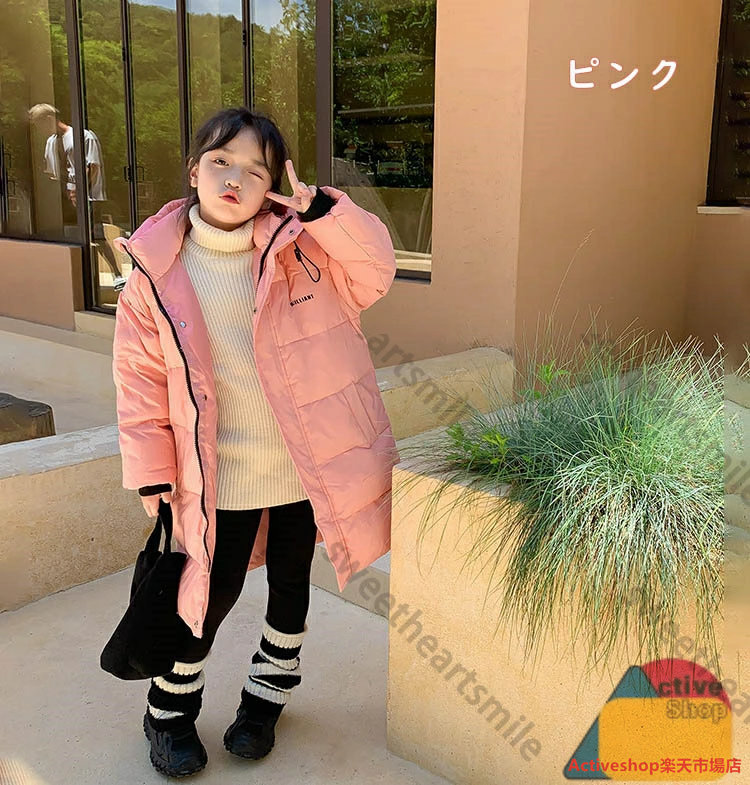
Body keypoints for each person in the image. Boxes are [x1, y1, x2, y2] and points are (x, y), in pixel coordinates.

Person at [111, 105, 400, 777]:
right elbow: (139, 380)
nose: (235, 179)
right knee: (205, 599)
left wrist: (326, 213)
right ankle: (168, 712)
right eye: (221, 162)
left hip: (304, 466)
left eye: (255, 169)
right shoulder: (155, 269)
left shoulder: (305, 248)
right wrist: (152, 470)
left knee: (291, 585)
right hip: (221, 474)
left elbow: (376, 270)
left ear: (273, 185)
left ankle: (266, 699)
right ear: (194, 170)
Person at [28, 103, 127, 290]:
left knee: (95, 234)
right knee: (70, 236)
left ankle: (117, 275)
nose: (38, 130)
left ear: (49, 119)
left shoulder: (83, 137)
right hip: (66, 197)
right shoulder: (51, 143)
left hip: (88, 196)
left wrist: (80, 191)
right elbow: (52, 172)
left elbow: (93, 166)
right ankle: (78, 277)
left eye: (39, 124)